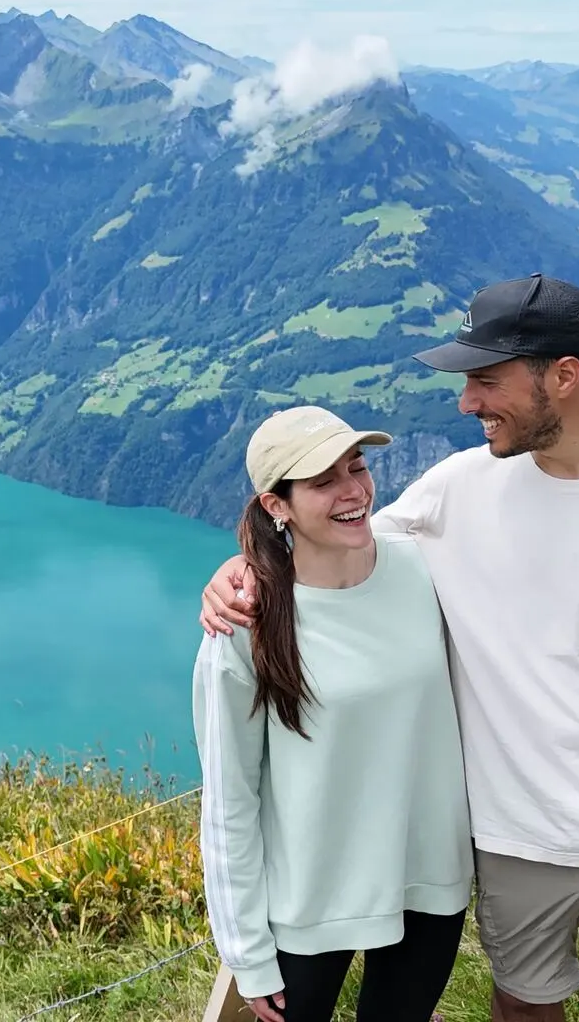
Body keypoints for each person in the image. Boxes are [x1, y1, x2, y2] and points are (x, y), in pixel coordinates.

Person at [199, 274, 579, 1022]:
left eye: (485, 380)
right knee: (526, 1006)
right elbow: (337, 543)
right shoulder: (460, 488)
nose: (466, 402)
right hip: (515, 838)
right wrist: (245, 568)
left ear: (564, 376)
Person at [194, 404, 474, 1022]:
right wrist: (247, 953)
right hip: (309, 907)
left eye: (358, 467)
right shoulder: (244, 628)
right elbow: (229, 802)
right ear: (277, 506)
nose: (353, 491)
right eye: (323, 482)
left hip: (429, 880)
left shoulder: (423, 568)